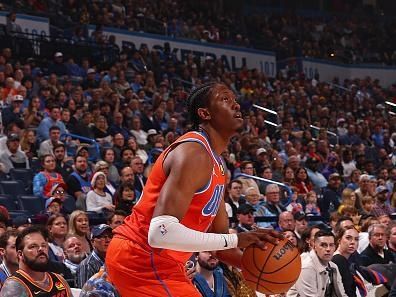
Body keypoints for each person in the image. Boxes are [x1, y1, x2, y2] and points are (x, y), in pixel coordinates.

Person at [106, 83, 282, 296]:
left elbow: (219, 245)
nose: (236, 105)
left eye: (235, 100)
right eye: (225, 99)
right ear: (204, 113)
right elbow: (160, 233)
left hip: (165, 262)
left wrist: (262, 267)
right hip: (140, 256)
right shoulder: (193, 152)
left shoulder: (218, 165)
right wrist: (237, 239)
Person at [0, 226, 72, 296]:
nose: (41, 249)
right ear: (20, 254)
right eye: (33, 246)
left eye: (43, 245)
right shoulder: (14, 286)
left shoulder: (59, 279)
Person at [287, 230, 347, 297]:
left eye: (331, 245)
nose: (328, 249)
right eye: (323, 245)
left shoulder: (333, 266)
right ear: (314, 246)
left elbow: (342, 294)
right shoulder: (307, 267)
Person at [77, 224, 113, 288]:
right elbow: (85, 293)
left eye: (110, 236)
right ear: (92, 242)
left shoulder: (114, 260)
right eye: (102, 237)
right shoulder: (87, 265)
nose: (107, 240)